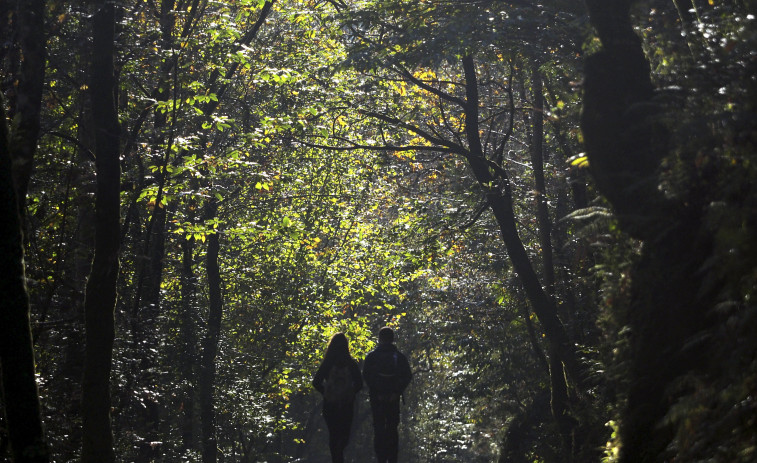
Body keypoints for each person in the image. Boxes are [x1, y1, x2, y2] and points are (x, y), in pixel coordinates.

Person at [362, 327, 412, 463]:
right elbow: (407, 376)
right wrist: (396, 392)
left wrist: (377, 392)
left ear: (379, 339)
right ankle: (392, 459)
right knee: (392, 429)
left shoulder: (372, 356)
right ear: (392, 339)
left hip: (377, 399)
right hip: (393, 399)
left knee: (378, 429)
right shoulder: (399, 357)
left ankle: (381, 459)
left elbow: (366, 376)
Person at [312, 332, 363, 463]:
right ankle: (339, 456)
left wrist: (326, 392)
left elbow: (316, 382)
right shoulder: (351, 363)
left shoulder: (328, 363)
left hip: (330, 405)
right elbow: (360, 384)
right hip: (347, 404)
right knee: (344, 435)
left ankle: (336, 459)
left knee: (333, 435)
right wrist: (350, 393)